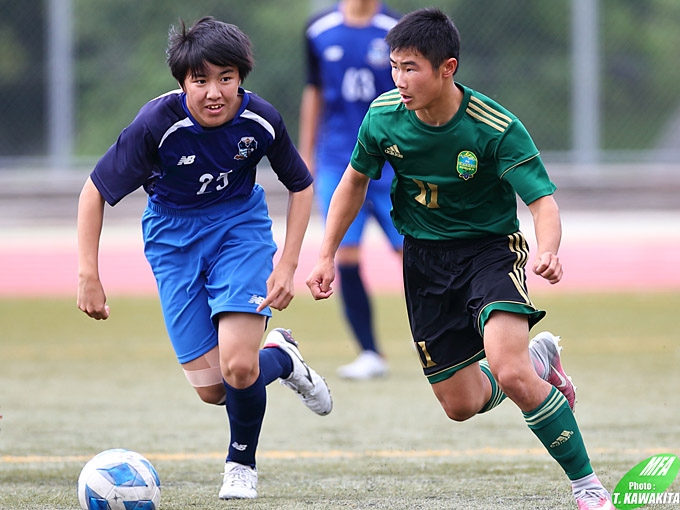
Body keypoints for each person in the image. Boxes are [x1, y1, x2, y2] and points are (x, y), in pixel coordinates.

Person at [306, 8, 613, 510]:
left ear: (447, 68)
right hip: (424, 261)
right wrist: (324, 254)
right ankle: (540, 359)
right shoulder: (384, 116)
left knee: (509, 371)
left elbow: (541, 202)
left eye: (411, 68)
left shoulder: (494, 127)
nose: (400, 80)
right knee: (461, 404)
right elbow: (353, 183)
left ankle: (588, 487)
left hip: (490, 252)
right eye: (395, 67)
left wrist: (549, 249)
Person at [76, 16, 332, 500]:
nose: (214, 92)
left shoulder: (261, 120)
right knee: (214, 389)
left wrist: (287, 265)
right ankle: (282, 358)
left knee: (238, 367)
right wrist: (88, 273)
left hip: (240, 230)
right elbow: (94, 192)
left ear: (241, 78)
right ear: (181, 82)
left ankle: (241, 464)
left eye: (226, 78)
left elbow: (300, 186)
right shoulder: (155, 125)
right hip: (172, 241)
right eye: (201, 80)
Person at [298, 0, 403, 380]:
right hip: (338, 162)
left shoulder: (397, 28)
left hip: (393, 161)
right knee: (345, 255)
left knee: (415, 253)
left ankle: (451, 340)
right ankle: (370, 352)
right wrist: (305, 155)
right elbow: (314, 91)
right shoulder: (318, 29)